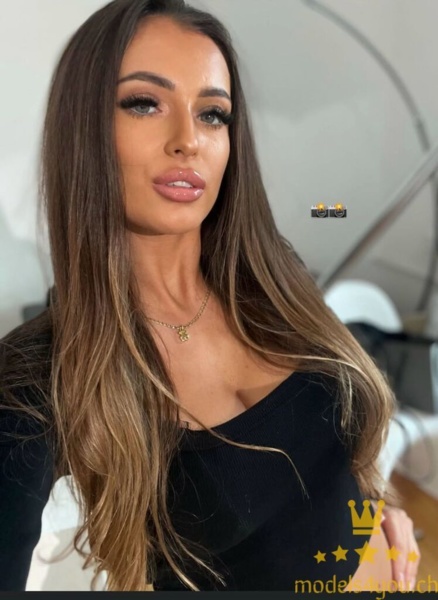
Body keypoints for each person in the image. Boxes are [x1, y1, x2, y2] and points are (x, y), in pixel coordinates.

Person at [0, 0, 421, 592]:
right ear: (83, 128)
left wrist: (375, 509)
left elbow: (333, 453)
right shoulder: (38, 375)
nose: (189, 140)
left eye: (213, 114)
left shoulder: (272, 276)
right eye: (144, 103)